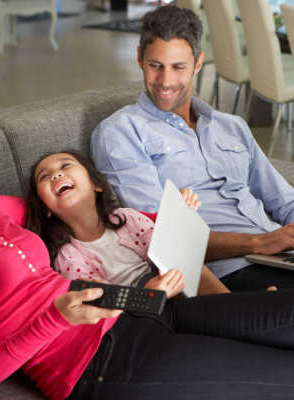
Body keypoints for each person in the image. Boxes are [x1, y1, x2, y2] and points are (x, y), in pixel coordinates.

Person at [0, 184, 294, 399]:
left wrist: (170, 215)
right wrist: (54, 320)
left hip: (140, 309)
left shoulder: (1, 209)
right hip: (98, 363)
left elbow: (75, 209)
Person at [90, 4, 294, 292]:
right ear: (139, 58)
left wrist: (281, 239)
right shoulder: (121, 132)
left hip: (279, 257)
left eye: (178, 67)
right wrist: (261, 242)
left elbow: (284, 201)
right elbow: (158, 236)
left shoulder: (232, 125)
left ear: (198, 63)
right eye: (155, 65)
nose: (165, 81)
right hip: (229, 271)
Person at [26, 150, 229, 296]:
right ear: (46, 209)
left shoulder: (127, 218)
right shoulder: (68, 257)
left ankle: (231, 304)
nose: (56, 174)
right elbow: (100, 303)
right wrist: (148, 293)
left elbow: (167, 250)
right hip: (140, 311)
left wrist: (180, 215)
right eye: (44, 176)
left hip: (171, 281)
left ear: (95, 184)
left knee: (187, 267)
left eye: (65, 165)